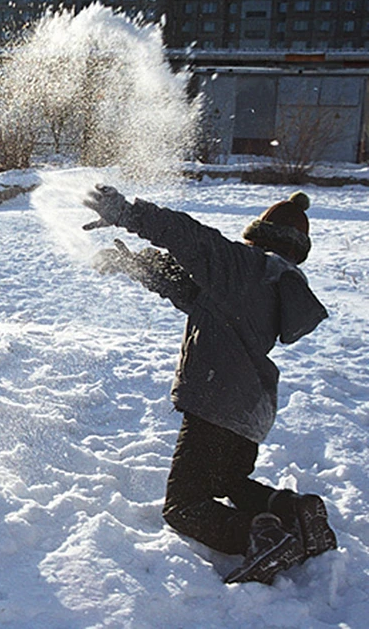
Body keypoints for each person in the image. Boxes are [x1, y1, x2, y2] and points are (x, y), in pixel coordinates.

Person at [83, 186, 337, 585]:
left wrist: (129, 213)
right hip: (250, 410)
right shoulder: (271, 283)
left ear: (260, 234)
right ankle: (296, 511)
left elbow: (188, 236)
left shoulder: (242, 265)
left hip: (218, 401)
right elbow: (194, 294)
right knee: (227, 482)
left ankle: (260, 537)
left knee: (183, 505)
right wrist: (138, 266)